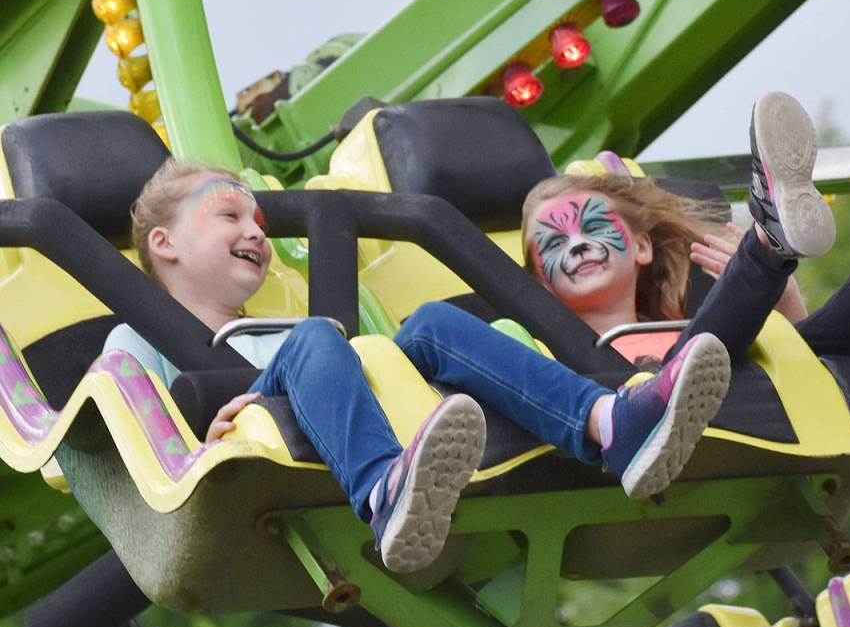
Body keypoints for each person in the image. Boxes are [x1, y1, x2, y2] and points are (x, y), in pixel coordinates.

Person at [104, 160, 730, 574]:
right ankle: (385, 491)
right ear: (165, 242)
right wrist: (195, 449)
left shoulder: (277, 332)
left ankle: (610, 424)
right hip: (238, 453)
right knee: (319, 335)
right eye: (231, 217)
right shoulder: (137, 338)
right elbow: (127, 432)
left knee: (432, 323)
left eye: (260, 224)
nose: (257, 233)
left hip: (352, 418)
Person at [521, 87, 850, 372]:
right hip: (651, 409)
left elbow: (801, 360)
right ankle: (766, 246)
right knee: (696, 358)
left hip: (749, 401)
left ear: (642, 247)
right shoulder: (547, 358)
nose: (577, 245)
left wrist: (785, 299)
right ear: (541, 281)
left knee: (825, 345)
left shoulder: (684, 320)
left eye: (594, 227)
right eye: (555, 244)